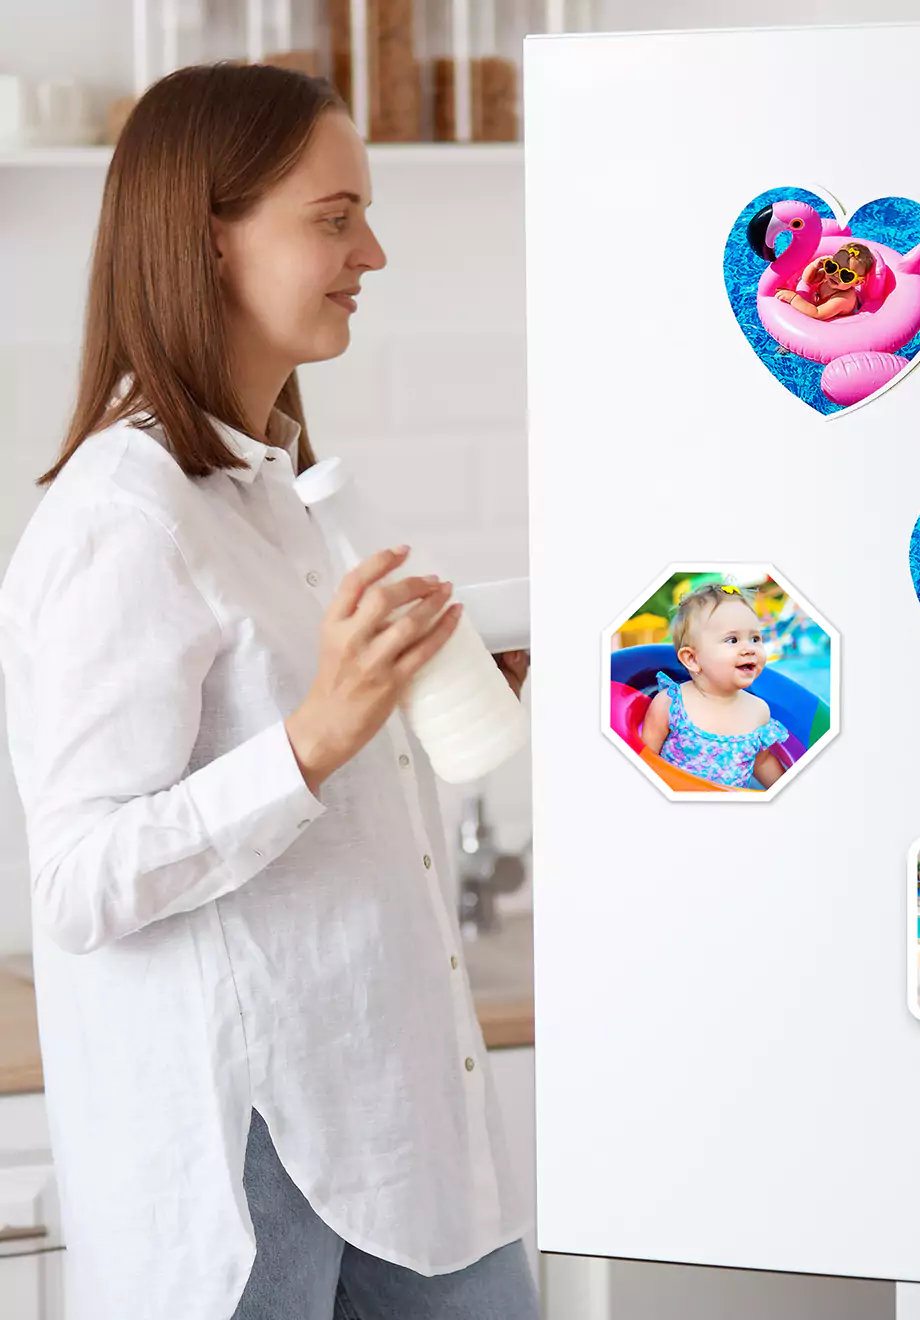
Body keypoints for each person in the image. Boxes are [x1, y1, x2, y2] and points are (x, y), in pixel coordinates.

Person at [0, 63, 537, 1320]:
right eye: (335, 216)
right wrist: (315, 739)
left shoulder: (272, 490)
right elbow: (78, 883)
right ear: (211, 236)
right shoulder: (115, 519)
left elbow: (301, 763)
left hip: (396, 1136)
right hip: (253, 1172)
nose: (375, 252)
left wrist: (413, 699)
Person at [640, 583, 788, 790]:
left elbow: (762, 763)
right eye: (732, 639)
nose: (749, 649)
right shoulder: (671, 703)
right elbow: (645, 761)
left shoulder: (759, 710)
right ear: (692, 659)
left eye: (755, 638)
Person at [773, 242, 875, 320]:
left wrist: (793, 298)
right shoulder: (828, 277)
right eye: (832, 266)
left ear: (857, 283)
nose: (835, 275)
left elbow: (817, 313)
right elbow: (807, 280)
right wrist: (814, 266)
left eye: (845, 275)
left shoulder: (843, 299)